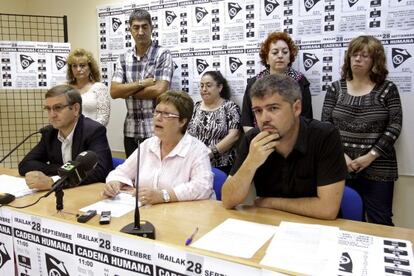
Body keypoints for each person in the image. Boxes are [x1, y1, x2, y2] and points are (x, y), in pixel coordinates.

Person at [222, 74, 347, 220]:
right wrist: (251, 163)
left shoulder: (325, 136)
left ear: (296, 108)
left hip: (317, 228)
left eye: (273, 108)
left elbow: (327, 209)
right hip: (271, 225)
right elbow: (227, 200)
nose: (264, 119)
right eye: (258, 111)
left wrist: (269, 202)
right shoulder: (253, 139)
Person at [321, 35, 403, 226]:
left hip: (379, 168)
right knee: (340, 220)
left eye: (365, 56)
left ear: (375, 61)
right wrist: (341, 156)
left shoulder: (387, 89)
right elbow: (326, 126)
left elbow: (395, 126)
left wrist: (370, 156)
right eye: (354, 54)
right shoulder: (335, 89)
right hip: (341, 166)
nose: (358, 59)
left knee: (380, 221)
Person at [103, 91, 214, 205]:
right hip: (147, 212)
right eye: (157, 112)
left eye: (166, 114)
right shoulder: (148, 145)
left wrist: (163, 195)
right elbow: (121, 172)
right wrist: (114, 183)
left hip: (181, 216)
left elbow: (203, 187)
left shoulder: (197, 149)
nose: (158, 118)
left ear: (182, 121)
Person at [18, 85, 113, 191]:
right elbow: (25, 165)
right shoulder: (50, 133)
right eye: (48, 109)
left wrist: (54, 181)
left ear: (76, 109)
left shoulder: (94, 130)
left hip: (91, 192)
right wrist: (63, 169)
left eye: (58, 108)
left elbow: (100, 171)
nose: (52, 115)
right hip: (66, 192)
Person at [110, 8, 174, 157]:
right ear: (130, 30)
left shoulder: (162, 54)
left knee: (156, 178)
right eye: (136, 27)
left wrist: (127, 91)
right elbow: (114, 92)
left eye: (145, 26)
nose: (140, 32)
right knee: (132, 178)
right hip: (131, 132)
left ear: (152, 27)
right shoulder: (123, 58)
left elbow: (160, 90)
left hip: (158, 130)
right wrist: (143, 83)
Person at [241, 32, 313, 133]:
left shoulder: (300, 81)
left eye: (285, 52)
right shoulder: (254, 83)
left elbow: (306, 119)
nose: (280, 56)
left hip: (291, 138)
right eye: (275, 53)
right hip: (260, 138)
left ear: (290, 58)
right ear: (267, 59)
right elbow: (246, 120)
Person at [187, 71, 241, 174]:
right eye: (201, 86)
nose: (204, 89)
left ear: (220, 87)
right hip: (195, 164)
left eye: (208, 85)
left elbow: (234, 136)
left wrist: (210, 153)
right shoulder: (195, 107)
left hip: (223, 165)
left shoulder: (230, 107)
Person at [66, 48, 110, 126]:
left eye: (82, 65)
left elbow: (104, 117)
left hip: (93, 135)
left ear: (90, 67)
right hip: (68, 135)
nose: (78, 69)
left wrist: (88, 132)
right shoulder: (64, 88)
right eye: (74, 66)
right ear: (70, 69)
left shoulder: (99, 88)